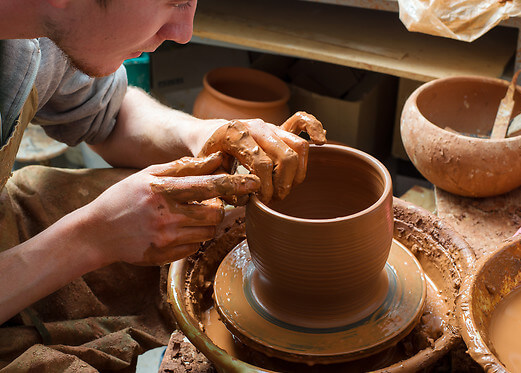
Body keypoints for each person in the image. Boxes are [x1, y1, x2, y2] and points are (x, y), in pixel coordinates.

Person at [0, 0, 326, 370]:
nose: (183, 33)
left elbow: (111, 113)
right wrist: (91, 238)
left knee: (185, 211)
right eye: (174, 2)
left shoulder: (43, 35)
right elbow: (95, 234)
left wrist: (203, 134)